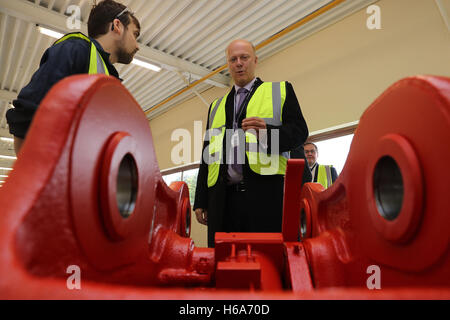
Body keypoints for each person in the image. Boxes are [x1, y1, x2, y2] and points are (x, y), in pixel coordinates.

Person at [193, 39, 309, 247]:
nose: (239, 63)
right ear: (228, 65)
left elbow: (300, 133)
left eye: (244, 58)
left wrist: (267, 134)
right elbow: (207, 154)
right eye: (233, 59)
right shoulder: (215, 106)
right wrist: (201, 199)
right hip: (222, 200)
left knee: (267, 262)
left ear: (255, 60)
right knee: (224, 265)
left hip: (266, 198)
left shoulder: (280, 91)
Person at [6, 0, 140, 154]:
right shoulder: (76, 49)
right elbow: (29, 113)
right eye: (135, 34)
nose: (137, 46)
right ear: (117, 26)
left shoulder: (108, 76)